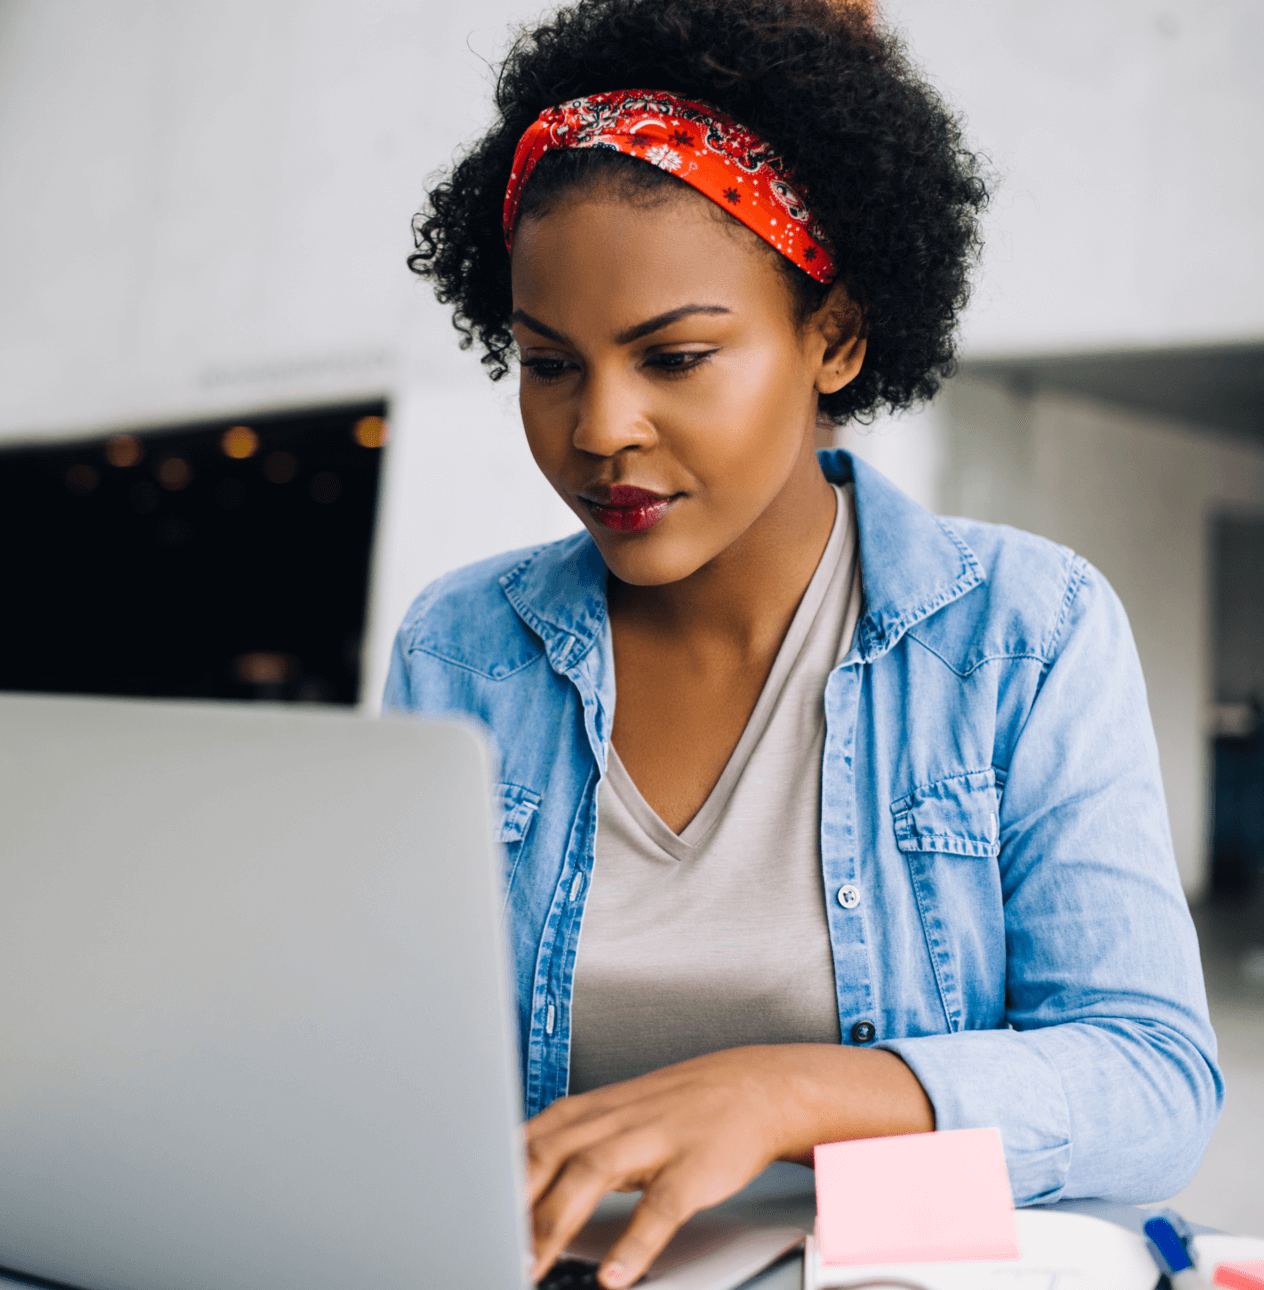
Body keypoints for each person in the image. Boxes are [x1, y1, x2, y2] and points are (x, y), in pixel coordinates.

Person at [385, 0, 1223, 1283]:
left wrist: (791, 1094)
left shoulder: (1022, 631)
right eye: (548, 364)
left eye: (675, 356)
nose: (600, 427)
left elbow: (1151, 1082)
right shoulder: (463, 647)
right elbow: (389, 1057)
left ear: (830, 340)